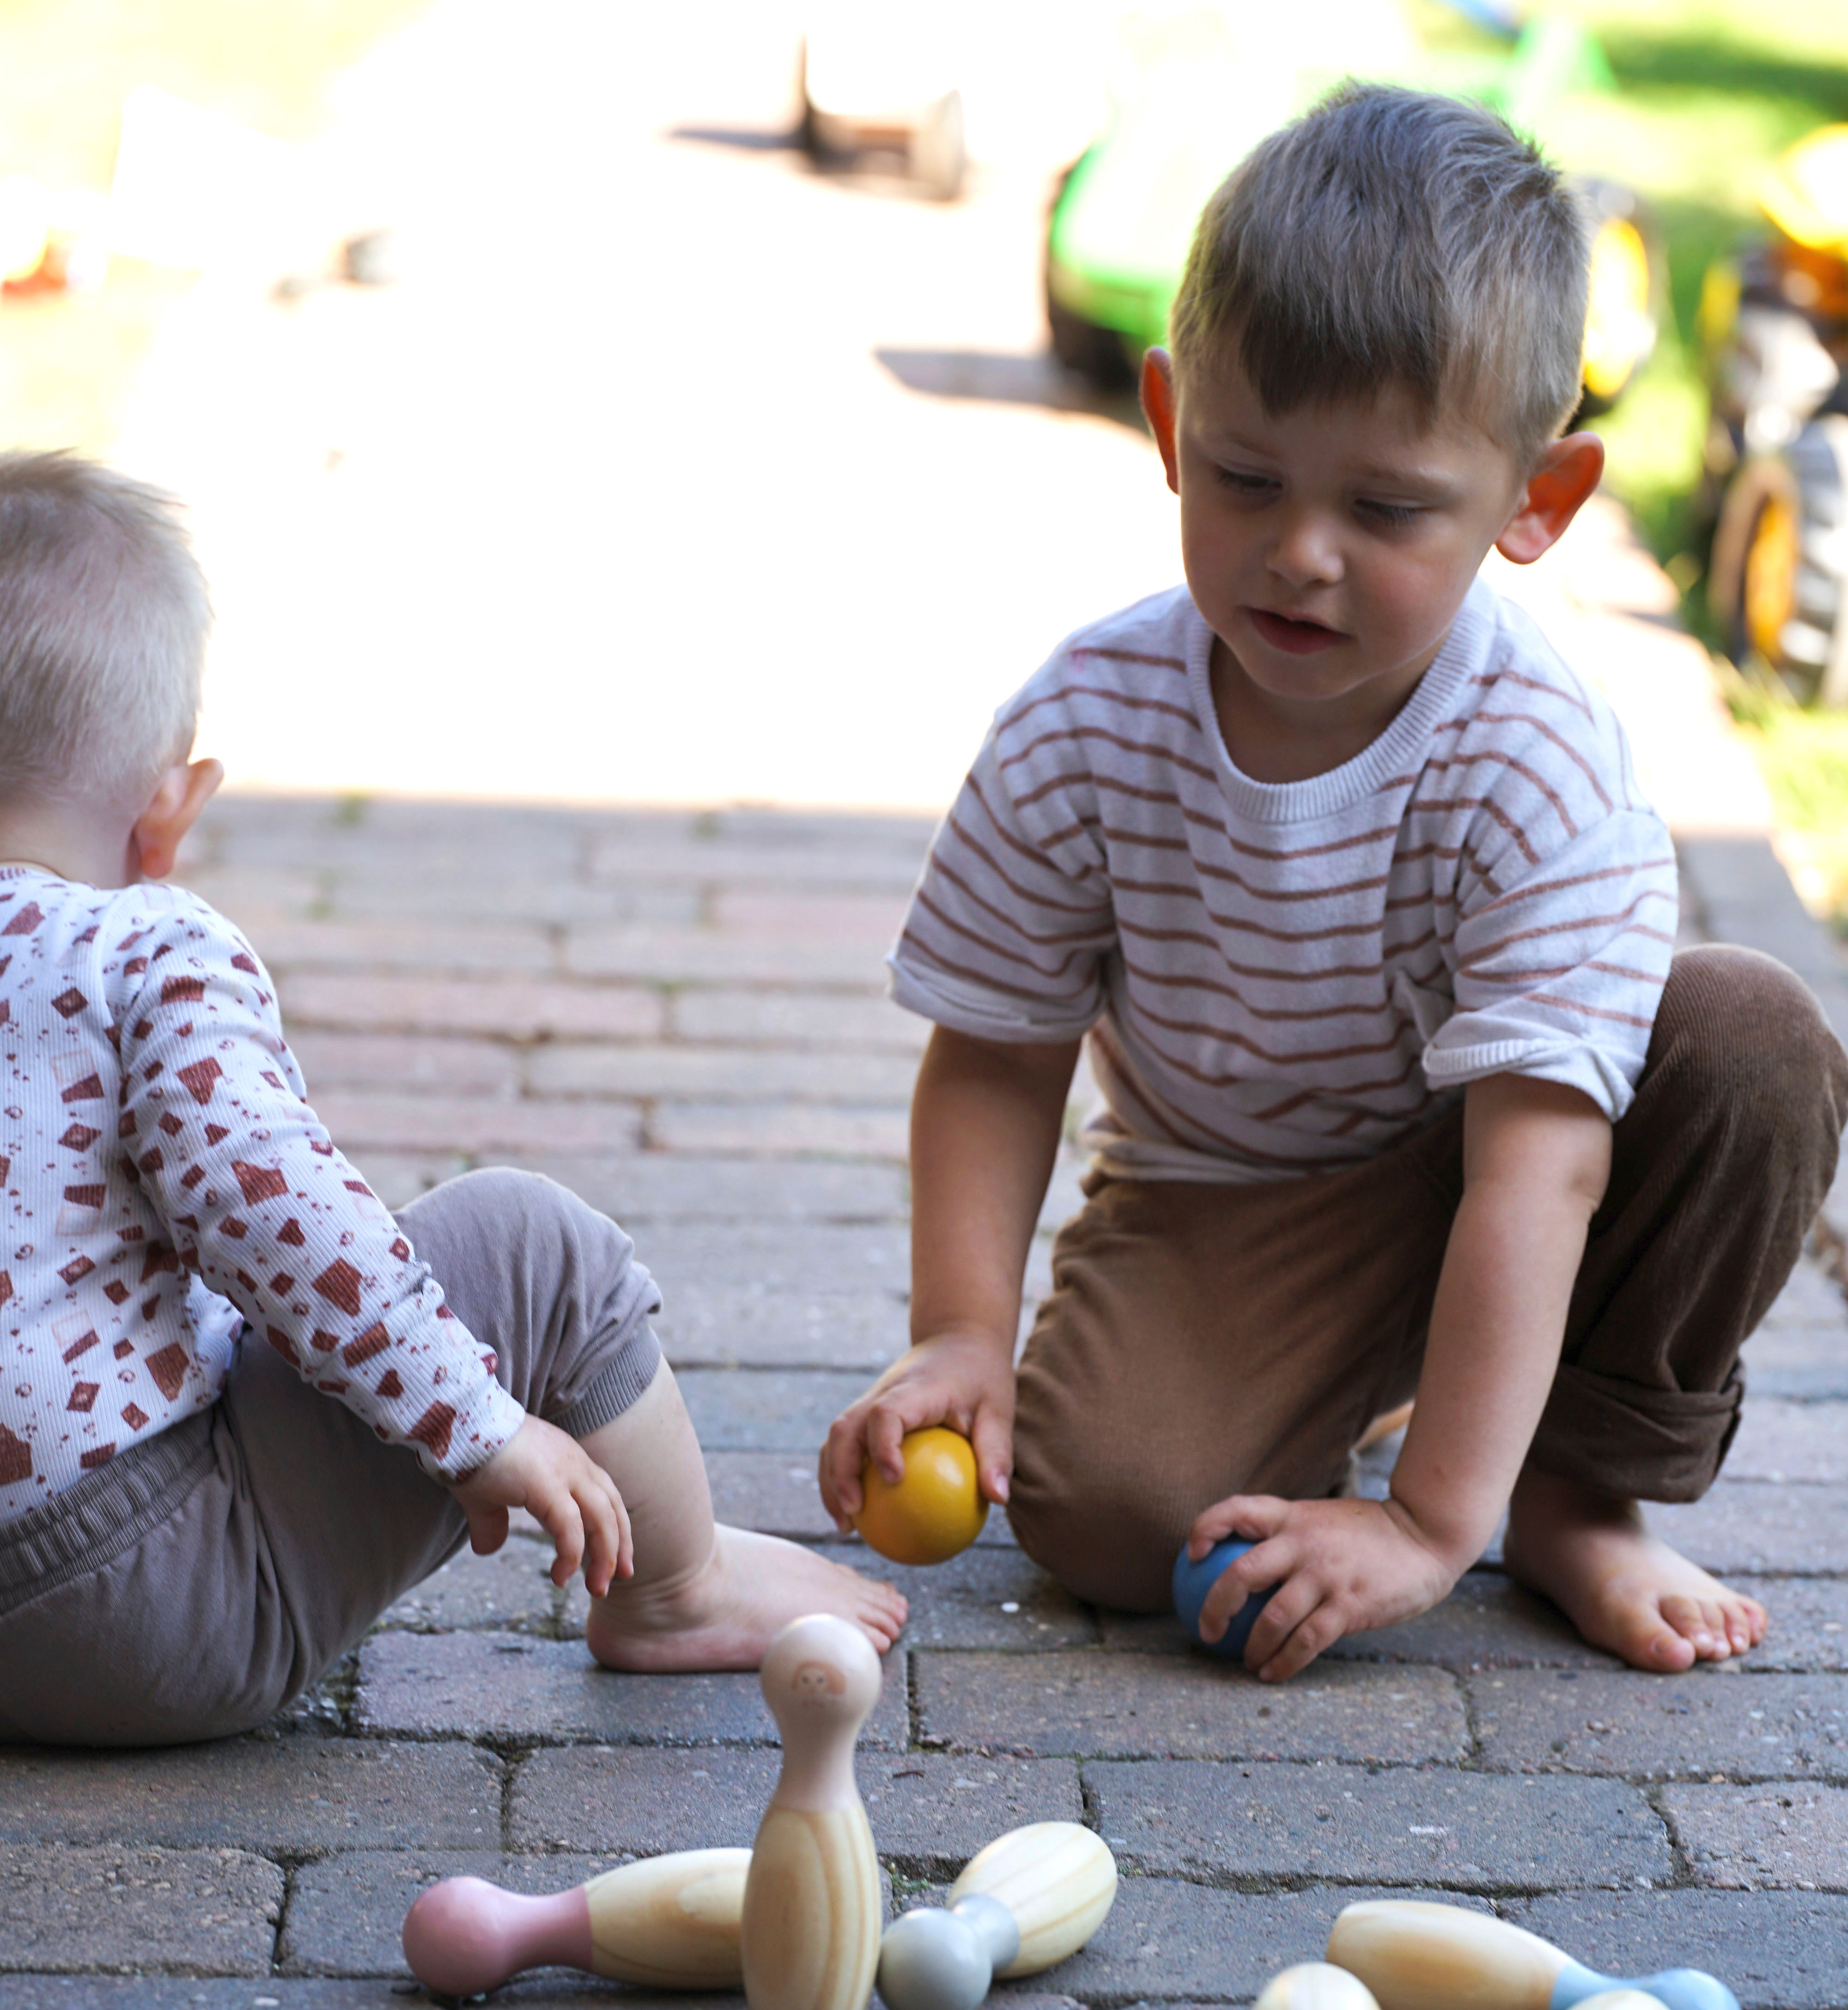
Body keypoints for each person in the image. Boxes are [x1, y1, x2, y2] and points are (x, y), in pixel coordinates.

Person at [820, 83, 1848, 1681]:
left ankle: (1574, 1491)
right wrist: (961, 1330)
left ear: (1537, 506)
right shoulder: (1089, 721)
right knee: (1104, 1520)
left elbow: (1544, 1170)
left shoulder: (1535, 758)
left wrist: (1433, 1527)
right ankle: (1348, 1377)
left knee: (1750, 1036)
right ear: (1168, 426)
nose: (1300, 553)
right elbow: (998, 1056)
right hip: (1228, 1192)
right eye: (1246, 480)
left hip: (1510, 1156)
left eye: (1381, 509)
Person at [0, 450, 903, 1746]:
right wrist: (475, 1426)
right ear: (167, 814)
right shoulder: (139, 948)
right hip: (139, 1608)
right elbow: (265, 1202)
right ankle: (678, 1586)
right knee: (531, 1248)